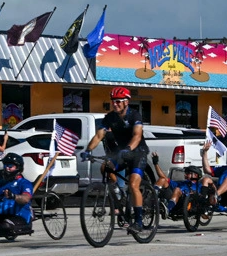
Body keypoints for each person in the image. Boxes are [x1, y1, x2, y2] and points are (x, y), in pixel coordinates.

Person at [82, 87, 150, 234]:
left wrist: (129, 149)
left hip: (138, 153)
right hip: (122, 154)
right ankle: (118, 197)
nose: (115, 104)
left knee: (133, 184)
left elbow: (137, 135)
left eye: (118, 101)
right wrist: (88, 150)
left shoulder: (134, 115)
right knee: (105, 168)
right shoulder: (110, 118)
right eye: (113, 101)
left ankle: (138, 222)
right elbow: (99, 136)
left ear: (126, 102)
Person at [152, 152, 207, 217]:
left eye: (188, 173)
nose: (185, 175)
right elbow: (164, 178)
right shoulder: (182, 183)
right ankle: (152, 200)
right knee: (162, 179)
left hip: (185, 205)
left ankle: (168, 209)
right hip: (174, 200)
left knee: (177, 189)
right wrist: (156, 163)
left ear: (195, 175)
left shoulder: (199, 186)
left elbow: (202, 197)